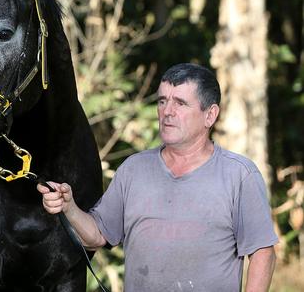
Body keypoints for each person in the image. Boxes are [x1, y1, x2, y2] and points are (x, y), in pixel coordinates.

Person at [38, 63, 277, 292]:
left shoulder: (239, 175)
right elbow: (97, 235)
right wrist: (68, 207)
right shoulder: (134, 169)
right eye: (162, 101)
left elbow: (262, 253)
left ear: (210, 115)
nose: (167, 112)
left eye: (181, 103)